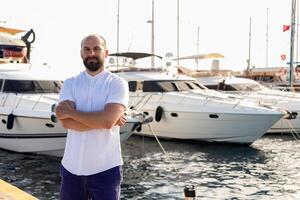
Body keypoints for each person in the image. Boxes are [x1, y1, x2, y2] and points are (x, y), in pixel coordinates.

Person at [55, 34, 129, 200]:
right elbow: (65, 123)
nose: (92, 53)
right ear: (81, 53)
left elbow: (107, 121)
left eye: (97, 49)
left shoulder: (117, 84)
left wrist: (72, 113)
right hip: (71, 169)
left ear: (106, 52)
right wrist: (104, 121)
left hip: (105, 169)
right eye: (87, 49)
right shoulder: (70, 83)